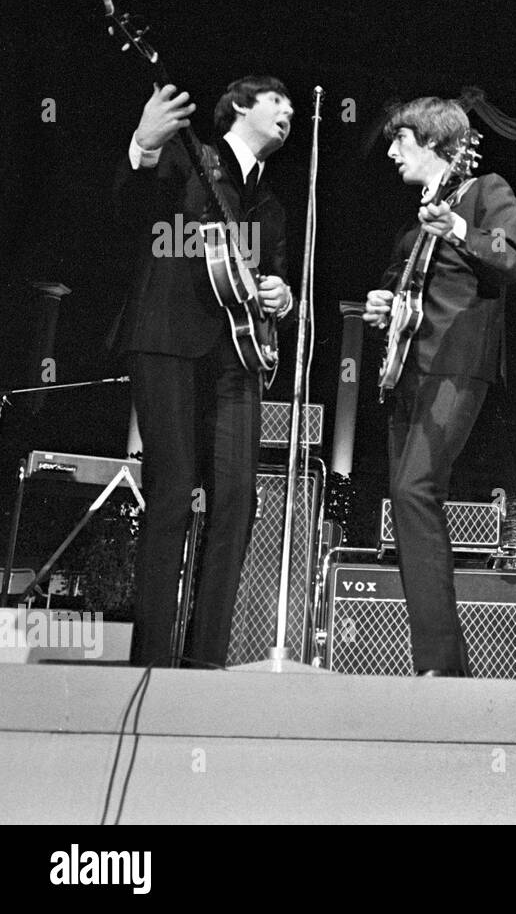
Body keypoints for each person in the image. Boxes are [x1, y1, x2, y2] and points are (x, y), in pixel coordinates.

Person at [112, 77, 295, 668]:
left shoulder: (272, 206)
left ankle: (206, 662)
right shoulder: (191, 158)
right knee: (171, 493)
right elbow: (125, 207)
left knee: (238, 501)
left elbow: (275, 278)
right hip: (166, 339)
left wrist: (280, 294)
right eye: (276, 101)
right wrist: (142, 143)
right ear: (240, 107)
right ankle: (151, 663)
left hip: (236, 357)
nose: (288, 111)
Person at [363, 97, 516, 678]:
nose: (390, 151)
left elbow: (510, 261)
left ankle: (439, 664)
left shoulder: (486, 192)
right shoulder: (414, 224)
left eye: (399, 140)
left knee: (413, 491)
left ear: (432, 140)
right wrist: (384, 301)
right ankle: (442, 663)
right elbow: (399, 284)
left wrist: (459, 228)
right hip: (407, 372)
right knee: (409, 503)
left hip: (458, 363)